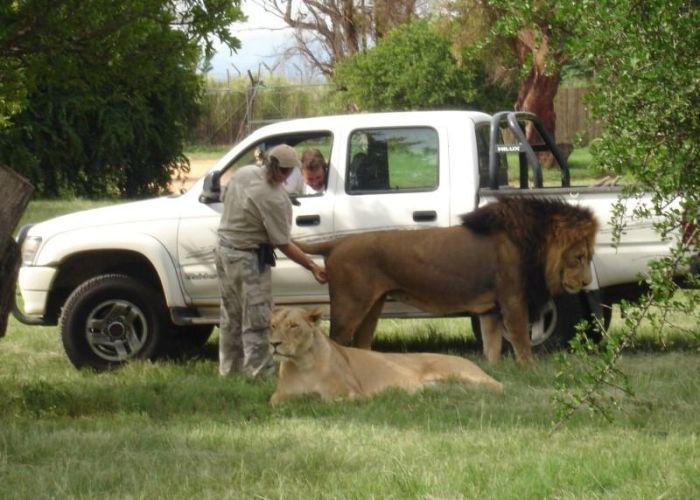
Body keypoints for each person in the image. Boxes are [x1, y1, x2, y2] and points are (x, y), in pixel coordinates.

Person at [216, 144, 327, 378]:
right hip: (247, 259)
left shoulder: (245, 173)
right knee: (257, 320)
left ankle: (229, 371)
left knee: (231, 317)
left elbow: (227, 197)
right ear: (288, 172)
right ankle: (259, 374)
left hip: (224, 252)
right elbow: (283, 243)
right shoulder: (275, 198)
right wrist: (312, 266)